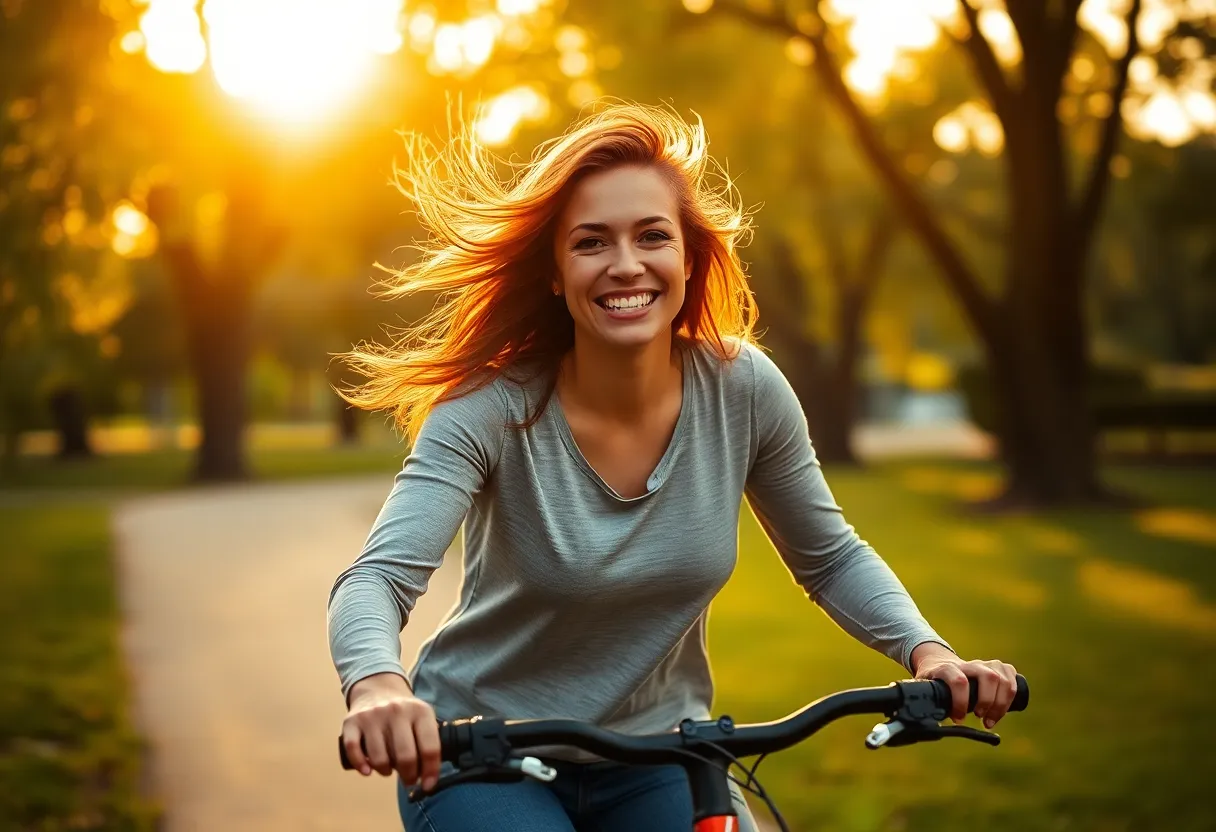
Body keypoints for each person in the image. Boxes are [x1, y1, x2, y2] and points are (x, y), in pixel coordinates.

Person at [327, 102, 1020, 832]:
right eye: (591, 242)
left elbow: (830, 558)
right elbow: (378, 578)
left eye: (652, 235)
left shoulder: (743, 389)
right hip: (484, 751)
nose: (626, 264)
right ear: (556, 274)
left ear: (689, 258)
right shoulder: (489, 408)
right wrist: (378, 687)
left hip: (661, 754)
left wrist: (929, 654)